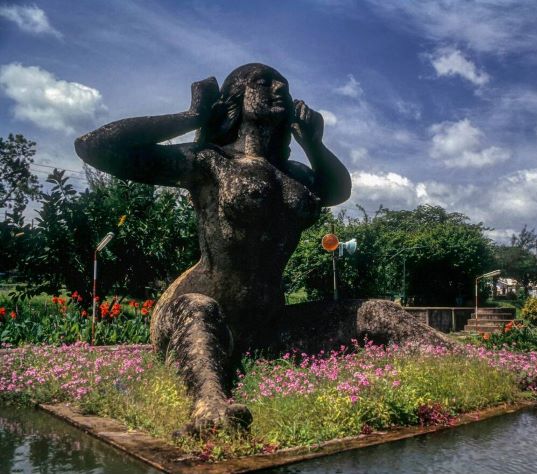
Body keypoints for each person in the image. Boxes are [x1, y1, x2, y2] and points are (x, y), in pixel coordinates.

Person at [75, 63, 351, 431]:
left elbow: (337, 192)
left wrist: (314, 145)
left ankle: (454, 358)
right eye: (263, 82)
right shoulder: (210, 161)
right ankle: (209, 407)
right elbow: (95, 145)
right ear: (235, 98)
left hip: (267, 321)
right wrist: (191, 117)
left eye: (282, 83)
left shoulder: (297, 175)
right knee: (199, 309)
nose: (278, 88)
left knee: (378, 312)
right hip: (195, 310)